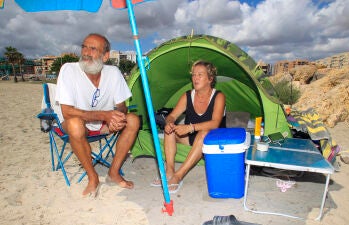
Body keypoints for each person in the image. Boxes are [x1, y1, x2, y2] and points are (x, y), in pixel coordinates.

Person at [56, 33, 140, 197]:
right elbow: (67, 112)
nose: (86, 52)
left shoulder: (114, 72)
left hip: (103, 124)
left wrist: (117, 118)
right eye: (84, 47)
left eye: (93, 48)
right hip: (76, 124)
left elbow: (122, 107)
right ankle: (92, 177)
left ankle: (114, 172)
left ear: (106, 56)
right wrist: (105, 115)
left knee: (133, 120)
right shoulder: (69, 69)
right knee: (75, 125)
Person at [153, 60, 226, 193]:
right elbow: (172, 115)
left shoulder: (219, 96)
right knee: (170, 130)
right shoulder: (187, 96)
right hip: (193, 139)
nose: (195, 78)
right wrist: (169, 122)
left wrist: (190, 127)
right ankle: (169, 171)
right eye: (193, 75)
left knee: (204, 133)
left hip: (213, 142)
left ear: (210, 79)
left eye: (200, 75)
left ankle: (178, 176)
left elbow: (215, 123)